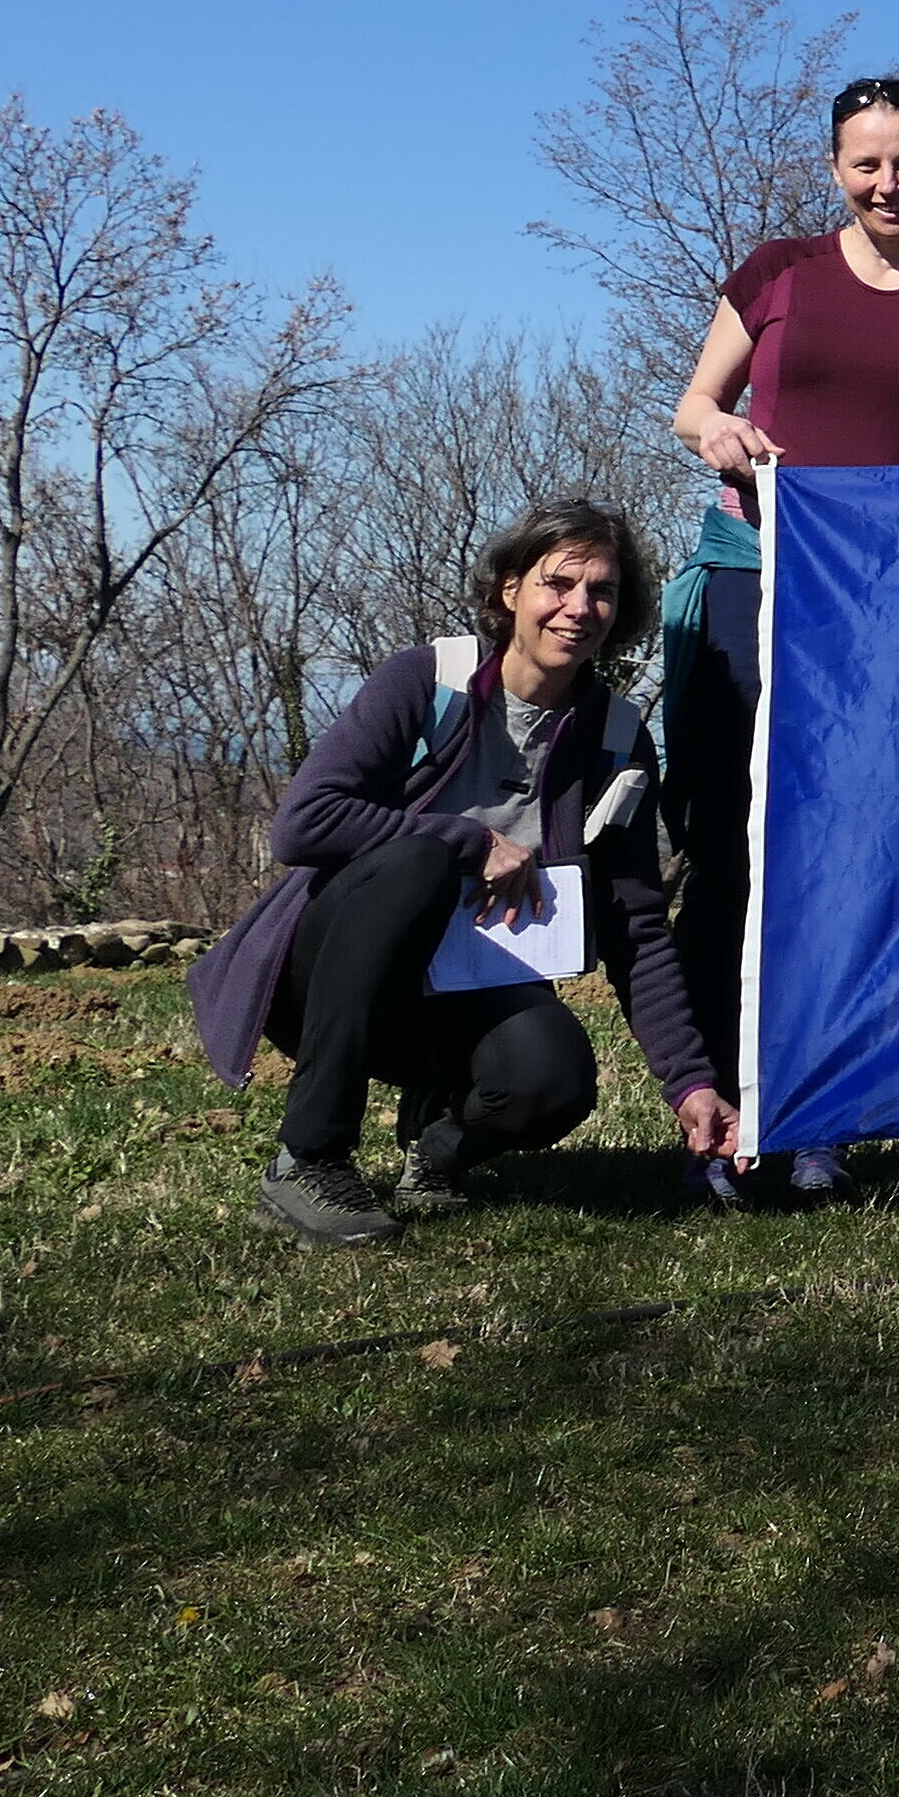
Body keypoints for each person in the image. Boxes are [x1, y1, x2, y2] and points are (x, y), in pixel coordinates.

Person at [659, 73, 899, 1207]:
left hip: (896, 616)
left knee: (854, 858)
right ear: (834, 170)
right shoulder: (778, 274)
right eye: (865, 163)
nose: (887, 183)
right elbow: (691, 407)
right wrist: (719, 433)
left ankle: (823, 1110)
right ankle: (715, 1112)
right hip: (750, 587)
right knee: (728, 853)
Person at [197, 503, 734, 1244]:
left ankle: (439, 1146)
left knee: (554, 1080)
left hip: (468, 982)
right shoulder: (425, 681)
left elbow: (634, 923)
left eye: (602, 591)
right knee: (419, 859)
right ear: (511, 589)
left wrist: (691, 1084)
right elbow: (303, 823)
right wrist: (465, 840)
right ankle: (309, 1156)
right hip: (328, 977)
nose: (580, 608)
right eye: (558, 583)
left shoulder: (616, 737)